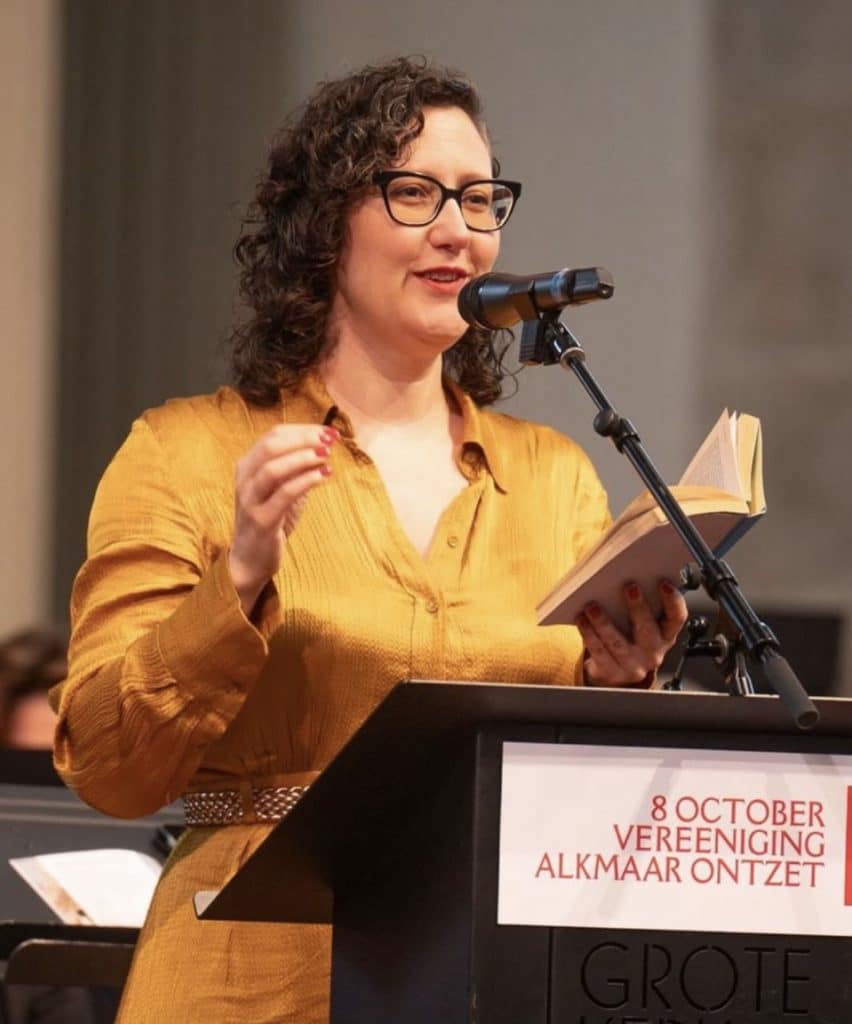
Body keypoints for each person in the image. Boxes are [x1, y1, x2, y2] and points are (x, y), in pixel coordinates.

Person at [50, 56, 687, 1024]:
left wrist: (620, 684)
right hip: (250, 977)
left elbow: (581, 796)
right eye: (413, 192)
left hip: (491, 967)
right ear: (322, 225)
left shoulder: (554, 474)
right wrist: (245, 576)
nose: (457, 230)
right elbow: (106, 764)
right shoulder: (185, 450)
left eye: (480, 199)